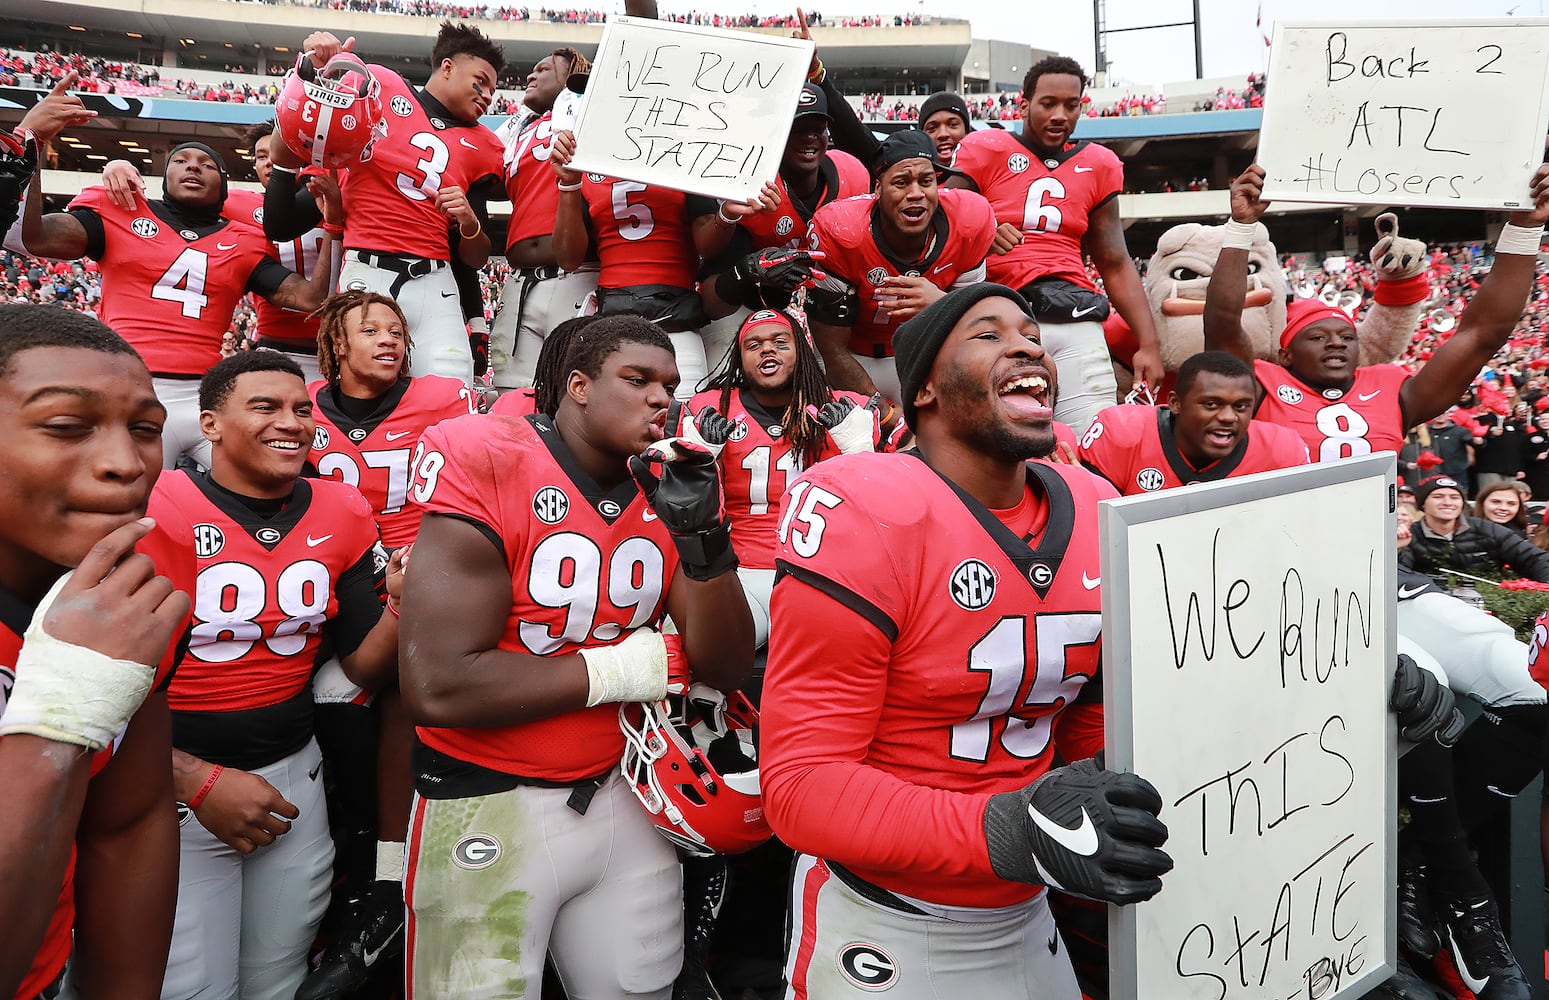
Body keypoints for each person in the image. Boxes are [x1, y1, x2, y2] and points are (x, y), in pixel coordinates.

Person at [760, 283, 1173, 995]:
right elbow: (800, 789)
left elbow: (1094, 736)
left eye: (1028, 334)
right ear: (923, 391)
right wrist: (1014, 829)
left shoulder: (1095, 504)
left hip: (1029, 907)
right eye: (987, 334)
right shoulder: (867, 506)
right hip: (889, 918)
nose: (1025, 344)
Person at [399, 314, 754, 997]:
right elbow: (439, 685)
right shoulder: (490, 455)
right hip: (486, 798)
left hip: (623, 790)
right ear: (578, 386)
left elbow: (724, 664)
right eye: (638, 379)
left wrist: (703, 537)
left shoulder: (668, 485)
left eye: (671, 385)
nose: (661, 399)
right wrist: (632, 668)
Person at [150, 351, 402, 1000]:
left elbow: (362, 662)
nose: (290, 422)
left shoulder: (342, 509)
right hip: (170, 786)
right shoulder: (156, 504)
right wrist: (192, 778)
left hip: (294, 777)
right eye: (264, 406)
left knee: (278, 981)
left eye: (299, 409)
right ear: (208, 424)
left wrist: (404, 606)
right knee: (192, 987)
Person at [0, 306, 193, 1000]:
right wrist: (61, 714)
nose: (125, 465)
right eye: (66, 427)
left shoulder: (128, 584)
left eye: (145, 430)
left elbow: (128, 819)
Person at [297, 290, 476, 999]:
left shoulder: (441, 399)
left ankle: (386, 865)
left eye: (397, 330)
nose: (388, 339)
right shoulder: (299, 403)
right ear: (336, 344)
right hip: (328, 567)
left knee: (389, 687)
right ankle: (361, 848)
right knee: (330, 693)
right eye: (369, 328)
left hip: (414, 569)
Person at [19, 110, 337, 469]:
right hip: (128, 385)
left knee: (264, 481)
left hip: (205, 394)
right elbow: (35, 237)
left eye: (207, 163)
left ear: (224, 183)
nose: (193, 167)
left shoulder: (245, 237)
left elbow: (311, 298)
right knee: (122, 493)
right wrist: (35, 143)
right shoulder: (120, 211)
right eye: (181, 159)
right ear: (164, 175)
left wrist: (334, 224)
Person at [1205, 161, 1549, 465]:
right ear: (1286, 356)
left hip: (1371, 537)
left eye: (1346, 337)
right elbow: (1222, 324)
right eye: (1317, 337)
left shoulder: (1394, 391)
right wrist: (1241, 227)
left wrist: (1525, 228)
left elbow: (1480, 336)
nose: (1336, 344)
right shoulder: (1261, 386)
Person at [266, 23, 506, 385]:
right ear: (447, 66)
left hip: (435, 279)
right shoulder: (379, 85)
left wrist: (470, 224)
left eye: (493, 89)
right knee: (363, 391)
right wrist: (317, 73)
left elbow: (471, 258)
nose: (488, 95)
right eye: (481, 80)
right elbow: (283, 219)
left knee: (451, 392)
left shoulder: (486, 145)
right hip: (367, 271)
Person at [948, 57, 1165, 433]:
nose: (1060, 114)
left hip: (1074, 312)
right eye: (1048, 103)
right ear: (1024, 104)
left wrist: (1149, 343)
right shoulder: (986, 147)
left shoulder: (1098, 163)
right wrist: (981, 227)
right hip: (1003, 311)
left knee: (1091, 439)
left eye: (1071, 104)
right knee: (1006, 439)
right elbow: (940, 224)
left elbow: (1114, 261)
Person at [686, 308, 879, 651]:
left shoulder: (849, 409)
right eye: (754, 345)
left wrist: (860, 451)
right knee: (711, 647)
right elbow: (675, 503)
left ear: (801, 351)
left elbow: (901, 491)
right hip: (738, 572)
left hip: (823, 571)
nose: (767, 350)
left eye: (780, 342)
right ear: (740, 359)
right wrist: (698, 459)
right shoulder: (709, 409)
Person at [98, 120, 336, 383]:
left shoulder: (335, 196)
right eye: (261, 156)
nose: (270, 161)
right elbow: (172, 206)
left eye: (279, 153)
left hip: (340, 342)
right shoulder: (234, 204)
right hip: (277, 343)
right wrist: (117, 165)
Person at [806, 129, 996, 414]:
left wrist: (941, 304)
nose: (916, 193)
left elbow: (978, 332)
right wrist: (888, 416)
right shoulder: (844, 231)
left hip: (926, 357)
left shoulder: (969, 222)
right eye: (902, 182)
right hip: (856, 360)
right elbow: (831, 350)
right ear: (878, 190)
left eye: (926, 181)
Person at [548, 130, 712, 398]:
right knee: (612, 432)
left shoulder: (688, 150)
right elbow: (568, 258)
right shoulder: (587, 157)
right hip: (613, 322)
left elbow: (710, 246)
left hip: (676, 321)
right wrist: (569, 184)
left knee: (680, 430)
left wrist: (726, 217)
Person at [489, 46, 598, 391]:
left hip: (577, 277)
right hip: (520, 282)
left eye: (544, 68)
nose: (531, 76)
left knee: (572, 394)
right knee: (510, 394)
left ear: (571, 77)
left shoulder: (588, 117)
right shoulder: (516, 131)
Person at [1079, 350, 1309, 494]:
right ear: (1176, 403)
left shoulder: (1282, 450)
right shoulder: (1122, 431)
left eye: (1240, 406)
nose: (1228, 417)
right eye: (1211, 404)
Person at [1401, 475, 1549, 582]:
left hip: (1488, 604)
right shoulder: (1410, 534)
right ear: (1422, 504)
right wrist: (1398, 549)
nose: (1447, 502)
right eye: (1438, 497)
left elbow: (1535, 559)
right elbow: (1398, 575)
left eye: (1454, 497)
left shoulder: (1487, 529)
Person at [917, 91, 973, 162]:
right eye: (932, 128)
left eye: (953, 124)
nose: (943, 134)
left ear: (967, 131)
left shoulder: (988, 171)